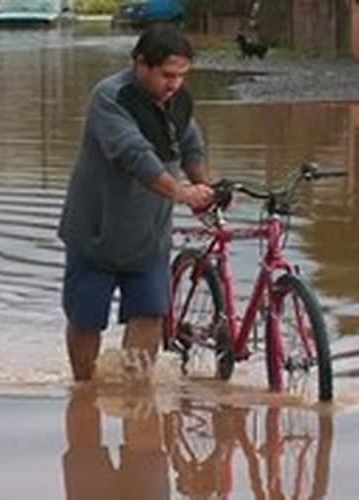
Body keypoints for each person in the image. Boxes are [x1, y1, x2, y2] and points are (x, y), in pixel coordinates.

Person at [58, 23, 214, 382]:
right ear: (140, 64)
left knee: (149, 314)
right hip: (96, 233)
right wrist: (181, 192)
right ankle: (84, 392)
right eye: (167, 75)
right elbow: (135, 156)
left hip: (148, 235)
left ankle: (135, 391)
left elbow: (191, 147)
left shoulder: (176, 101)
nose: (174, 84)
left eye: (181, 76)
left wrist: (204, 188)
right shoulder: (110, 98)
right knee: (86, 319)